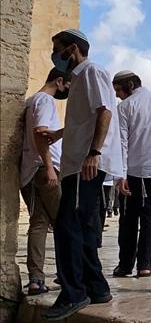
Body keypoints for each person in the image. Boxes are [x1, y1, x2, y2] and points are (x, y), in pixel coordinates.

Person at [39, 29, 126, 321]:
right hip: (77, 161)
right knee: (82, 226)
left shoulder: (92, 71)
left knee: (67, 226)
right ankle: (97, 287)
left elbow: (104, 112)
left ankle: (73, 292)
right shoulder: (79, 79)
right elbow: (85, 119)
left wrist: (94, 153)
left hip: (84, 163)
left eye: (58, 49)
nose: (56, 55)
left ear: (73, 48)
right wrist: (59, 134)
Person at [111, 70, 151, 278]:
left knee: (128, 219)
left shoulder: (125, 107)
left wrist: (120, 175)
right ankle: (145, 264)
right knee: (150, 216)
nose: (117, 95)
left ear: (130, 85)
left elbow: (122, 142)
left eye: (118, 90)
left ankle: (126, 265)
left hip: (134, 170)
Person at [20, 68, 70, 295]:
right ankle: (69, 274)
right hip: (44, 169)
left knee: (39, 224)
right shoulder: (46, 101)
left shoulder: (31, 101)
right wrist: (50, 167)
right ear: (59, 81)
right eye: (67, 85)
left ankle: (36, 279)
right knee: (65, 222)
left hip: (30, 170)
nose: (67, 90)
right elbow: (41, 133)